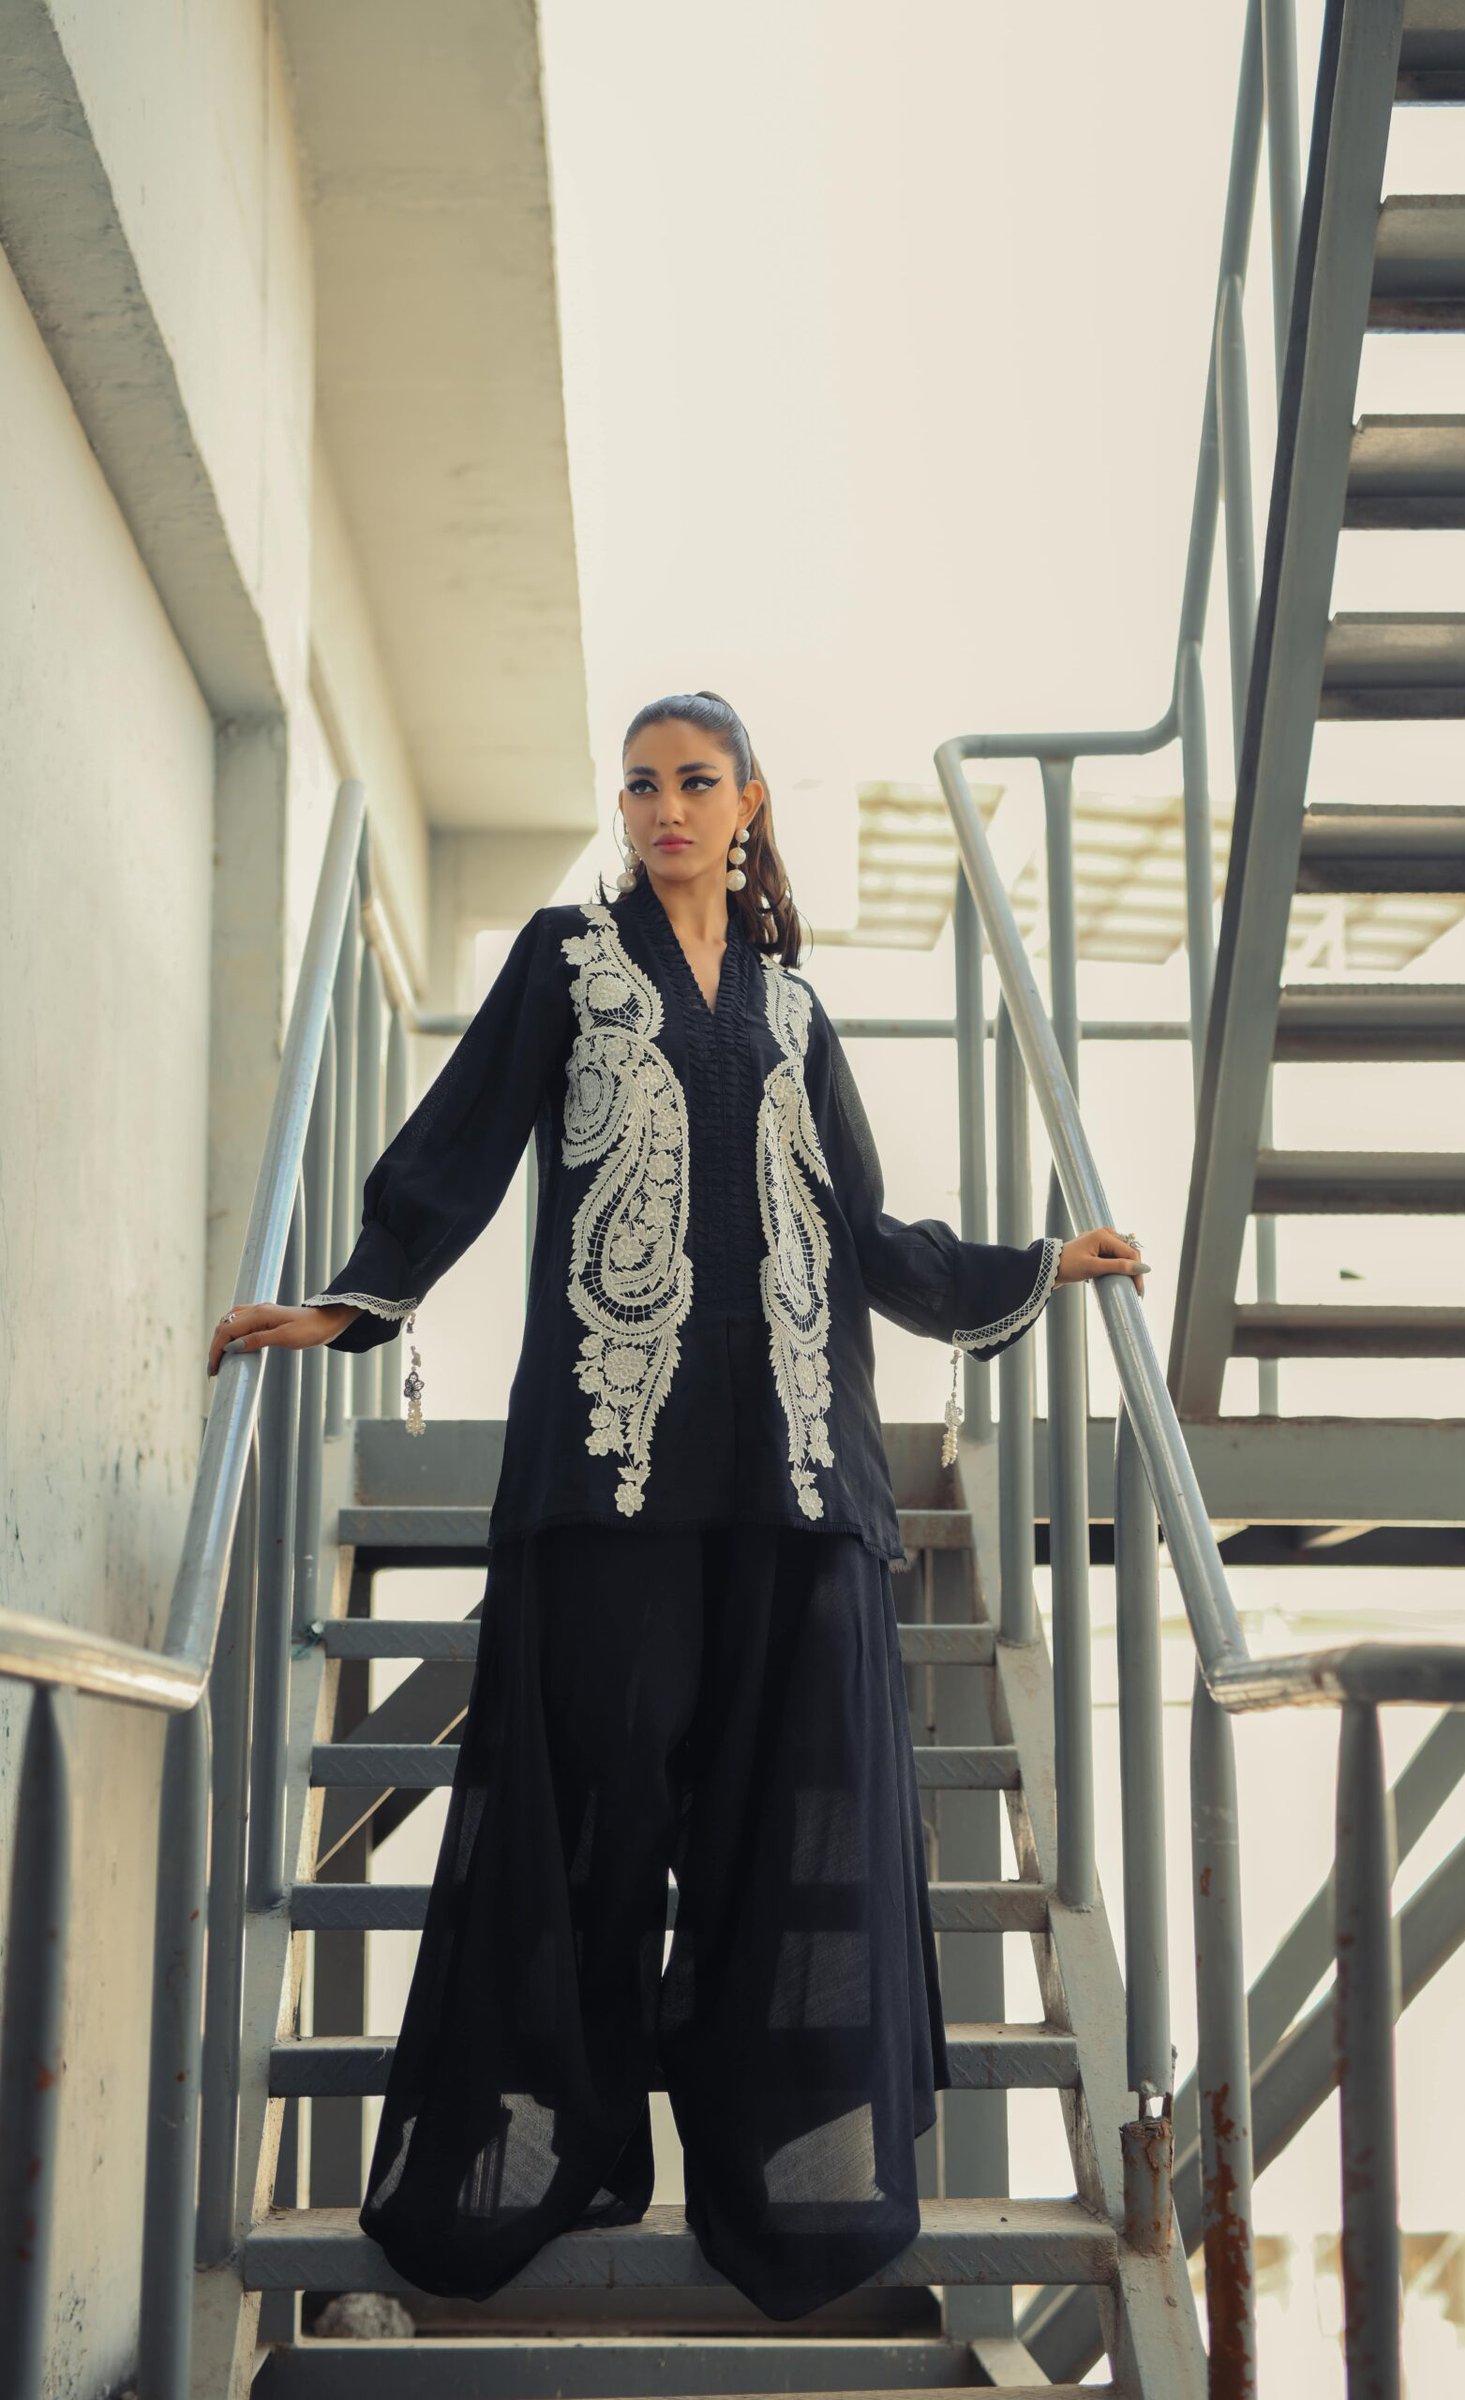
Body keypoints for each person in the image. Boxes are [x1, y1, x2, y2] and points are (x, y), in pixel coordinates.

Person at [207, 689, 1146, 2320]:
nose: (664, 810)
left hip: (792, 1472)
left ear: (747, 803)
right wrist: (352, 1301)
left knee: (777, 1821)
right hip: (612, 1464)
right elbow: (459, 1143)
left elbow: (860, 1230)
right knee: (593, 1799)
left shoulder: (793, 1007)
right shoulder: (567, 963)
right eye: (640, 785)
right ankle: (555, 2146)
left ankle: (775, 2175)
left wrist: (1034, 1266)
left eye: (696, 783)